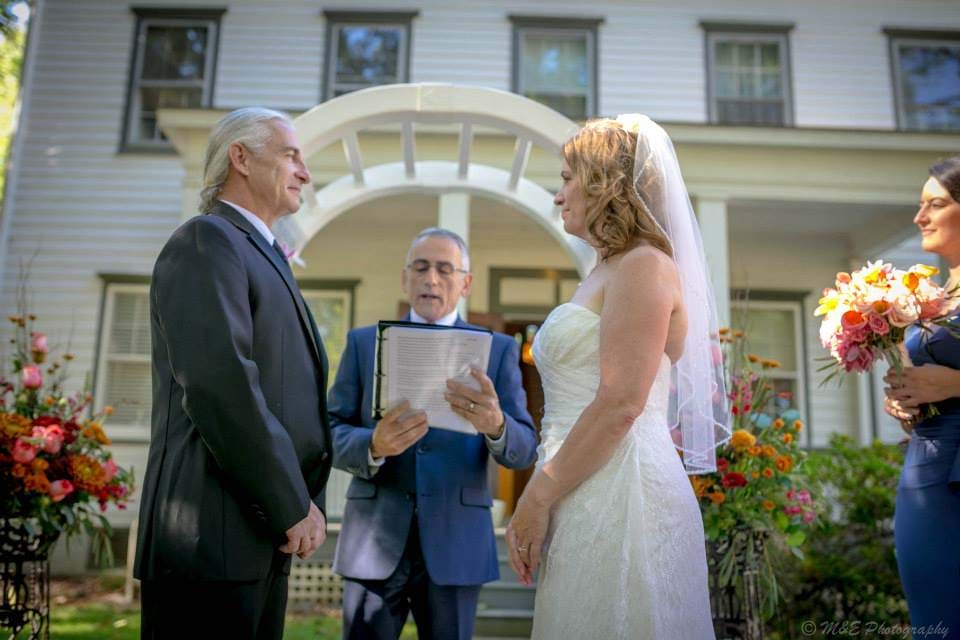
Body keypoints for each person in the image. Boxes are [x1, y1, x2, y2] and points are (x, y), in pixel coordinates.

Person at [506, 115, 728, 639]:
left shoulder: (644, 265)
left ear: (605, 183)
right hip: (585, 480)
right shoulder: (609, 268)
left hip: (623, 486)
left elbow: (621, 403)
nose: (558, 194)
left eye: (566, 178)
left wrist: (536, 496)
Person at [134, 107, 332, 640]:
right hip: (209, 536)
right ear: (240, 158)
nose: (304, 172)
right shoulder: (206, 241)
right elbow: (221, 386)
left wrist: (303, 503)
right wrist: (291, 503)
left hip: (260, 531)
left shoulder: (261, 254)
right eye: (291, 155)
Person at [329, 227, 538, 640]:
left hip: (456, 541)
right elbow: (330, 430)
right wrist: (371, 445)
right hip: (374, 538)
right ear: (405, 277)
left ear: (466, 282)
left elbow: (525, 448)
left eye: (445, 269)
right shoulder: (362, 343)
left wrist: (496, 425)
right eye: (421, 268)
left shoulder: (497, 350)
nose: (431, 279)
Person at [883, 155, 960, 635]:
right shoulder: (937, 294)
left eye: (935, 204)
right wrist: (908, 401)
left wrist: (952, 385)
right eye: (919, 205)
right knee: (933, 615)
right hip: (927, 466)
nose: (920, 218)